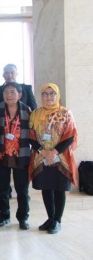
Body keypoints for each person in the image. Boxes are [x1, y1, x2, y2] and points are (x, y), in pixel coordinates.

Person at [29, 83, 77, 234]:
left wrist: (53, 153)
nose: (49, 97)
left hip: (60, 158)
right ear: (41, 96)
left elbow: (70, 136)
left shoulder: (65, 113)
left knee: (59, 188)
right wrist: (44, 152)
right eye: (45, 94)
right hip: (41, 157)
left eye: (52, 94)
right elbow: (31, 137)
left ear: (57, 95)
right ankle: (50, 217)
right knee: (46, 187)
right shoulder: (35, 114)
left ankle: (57, 220)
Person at [0, 82, 32, 230]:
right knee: (2, 189)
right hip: (2, 154)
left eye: (12, 92)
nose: (9, 95)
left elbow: (33, 133)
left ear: (20, 94)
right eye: (6, 92)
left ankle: (23, 218)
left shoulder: (27, 111)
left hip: (20, 155)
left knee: (22, 190)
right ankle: (4, 216)